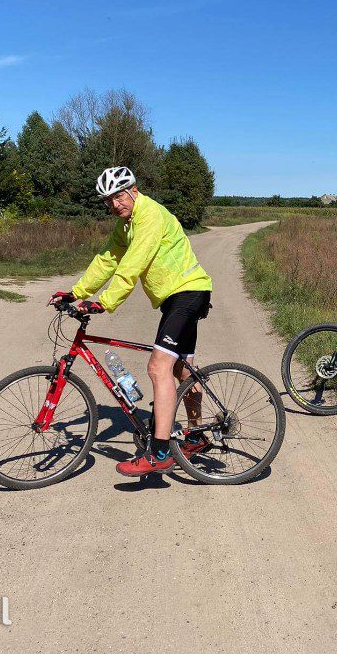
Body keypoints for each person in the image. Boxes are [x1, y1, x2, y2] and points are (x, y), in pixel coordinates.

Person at [50, 166, 213, 476]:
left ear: (133, 190)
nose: (114, 205)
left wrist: (103, 303)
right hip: (177, 297)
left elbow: (133, 265)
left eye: (119, 196)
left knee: (157, 368)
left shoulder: (149, 216)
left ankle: (160, 452)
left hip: (187, 293)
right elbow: (107, 260)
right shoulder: (125, 225)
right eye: (108, 200)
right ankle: (196, 434)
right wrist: (75, 293)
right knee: (181, 369)